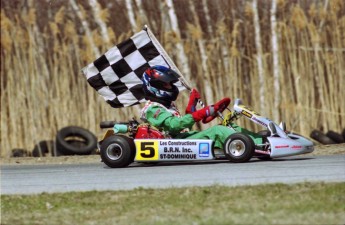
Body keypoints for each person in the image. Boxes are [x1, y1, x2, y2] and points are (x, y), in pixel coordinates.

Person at [140, 65, 262, 149]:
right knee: (217, 131)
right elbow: (174, 125)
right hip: (172, 144)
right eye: (167, 84)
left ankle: (262, 140)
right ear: (155, 86)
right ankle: (255, 145)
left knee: (229, 127)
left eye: (171, 84)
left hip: (182, 139)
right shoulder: (152, 109)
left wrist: (191, 106)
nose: (171, 87)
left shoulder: (166, 105)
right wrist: (203, 112)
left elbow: (182, 126)